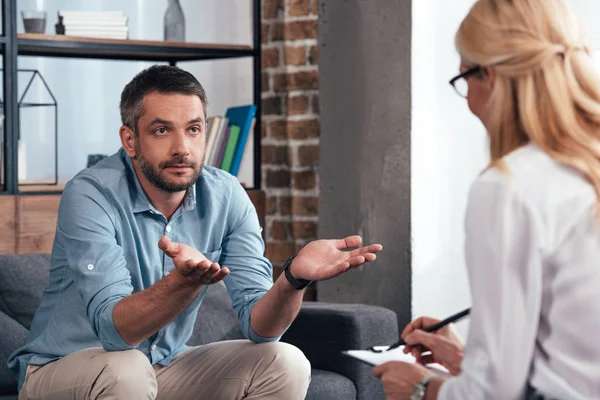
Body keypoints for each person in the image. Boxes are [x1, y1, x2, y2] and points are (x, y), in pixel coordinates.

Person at [8, 65, 383, 400]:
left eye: (193, 129)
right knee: (127, 369)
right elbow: (114, 332)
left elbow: (260, 329)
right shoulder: (90, 193)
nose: (181, 148)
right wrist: (183, 283)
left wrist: (292, 279)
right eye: (161, 130)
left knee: (285, 361)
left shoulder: (227, 194)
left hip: (162, 367)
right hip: (62, 371)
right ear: (130, 140)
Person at [373, 0, 600, 399]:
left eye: (462, 79)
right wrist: (470, 358)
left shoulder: (511, 186)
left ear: (489, 76)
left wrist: (420, 387)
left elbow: (495, 394)